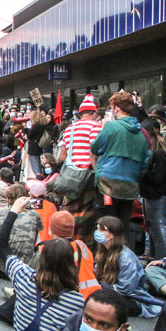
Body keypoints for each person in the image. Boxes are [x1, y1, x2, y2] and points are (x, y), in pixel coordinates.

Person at [0, 197, 85, 331]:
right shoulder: (77, 301)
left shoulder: (23, 277)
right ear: (70, 264)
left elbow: (1, 245)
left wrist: (13, 211)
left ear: (42, 259)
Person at [91, 92, 151, 243]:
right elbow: (146, 161)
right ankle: (124, 261)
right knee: (123, 227)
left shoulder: (111, 127)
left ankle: (107, 263)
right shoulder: (142, 133)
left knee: (105, 226)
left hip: (107, 184)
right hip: (130, 185)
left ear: (116, 108)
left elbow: (95, 147)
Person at [94, 216, 164, 318]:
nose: (97, 232)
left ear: (112, 234)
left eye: (101, 229)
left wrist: (102, 288)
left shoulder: (126, 257)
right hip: (111, 292)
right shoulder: (103, 251)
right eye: (97, 228)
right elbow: (96, 273)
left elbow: (125, 289)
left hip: (131, 298)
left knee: (99, 305)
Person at [59, 95, 103, 247]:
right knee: (86, 215)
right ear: (94, 113)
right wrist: (97, 173)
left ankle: (67, 242)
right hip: (87, 177)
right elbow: (94, 153)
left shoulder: (69, 129)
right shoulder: (95, 127)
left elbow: (62, 156)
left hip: (70, 178)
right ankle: (83, 247)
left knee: (69, 211)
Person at [139, 118, 166, 260]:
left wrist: (143, 170)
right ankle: (153, 255)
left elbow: (158, 178)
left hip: (157, 196)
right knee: (152, 228)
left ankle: (161, 259)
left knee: (158, 228)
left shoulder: (159, 154)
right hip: (149, 195)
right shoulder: (150, 152)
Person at [0, 183, 43, 269]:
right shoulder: (35, 215)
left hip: (4, 267)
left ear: (9, 199)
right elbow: (35, 240)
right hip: (27, 267)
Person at [26, 179, 57, 243]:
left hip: (36, 243)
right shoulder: (52, 206)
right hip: (50, 241)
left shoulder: (30, 205)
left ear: (31, 195)